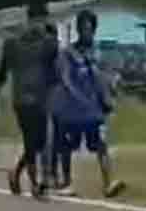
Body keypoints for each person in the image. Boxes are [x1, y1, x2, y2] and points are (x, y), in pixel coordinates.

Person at [51, 10, 125, 198]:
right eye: (84, 29)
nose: (88, 33)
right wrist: (77, 97)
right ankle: (66, 182)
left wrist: (110, 95)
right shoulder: (68, 53)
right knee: (67, 146)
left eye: (90, 29)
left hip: (93, 110)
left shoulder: (97, 53)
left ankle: (108, 183)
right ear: (78, 30)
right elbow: (65, 79)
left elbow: (105, 78)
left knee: (101, 145)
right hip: (73, 109)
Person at [0, 21, 59, 198]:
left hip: (40, 101)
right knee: (31, 141)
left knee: (39, 142)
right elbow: (1, 73)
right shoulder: (13, 46)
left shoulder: (46, 46)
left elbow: (55, 73)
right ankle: (34, 184)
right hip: (22, 101)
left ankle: (16, 172)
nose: (35, 28)